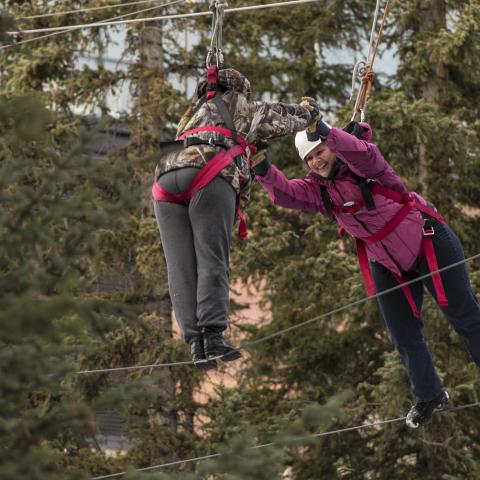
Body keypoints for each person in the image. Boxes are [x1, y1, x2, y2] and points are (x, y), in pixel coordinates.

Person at [252, 100, 480, 427]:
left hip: (427, 241)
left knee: (464, 315)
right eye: (309, 158)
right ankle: (429, 394)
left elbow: (363, 153)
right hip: (385, 261)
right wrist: (262, 167)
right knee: (403, 334)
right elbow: (286, 193)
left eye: (320, 151)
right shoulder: (318, 191)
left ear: (331, 147)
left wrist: (325, 129)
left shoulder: (365, 166)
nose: (316, 161)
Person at [152, 66, 316, 370]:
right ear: (240, 89)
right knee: (211, 255)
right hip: (209, 171)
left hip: (165, 178)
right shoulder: (238, 104)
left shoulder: (191, 113)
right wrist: (309, 112)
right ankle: (213, 335)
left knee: (180, 267)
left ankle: (195, 343)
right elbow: (280, 117)